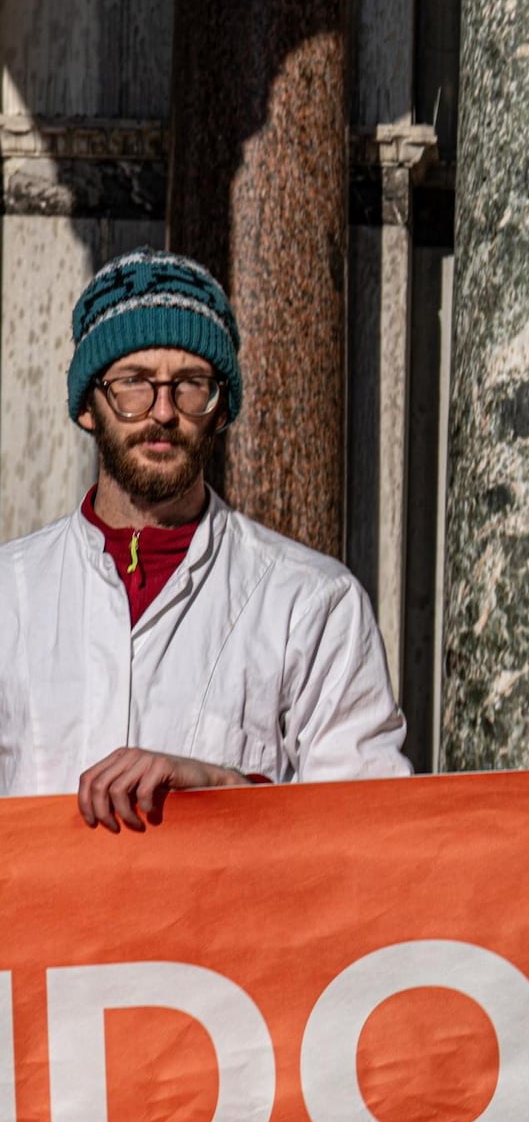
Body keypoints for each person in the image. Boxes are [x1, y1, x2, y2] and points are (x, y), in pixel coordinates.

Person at [0, 250, 411, 827]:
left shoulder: (312, 602)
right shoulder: (9, 595)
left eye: (190, 385)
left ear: (220, 410)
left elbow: (373, 827)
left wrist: (227, 788)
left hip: (233, 919)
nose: (163, 412)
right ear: (88, 406)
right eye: (134, 383)